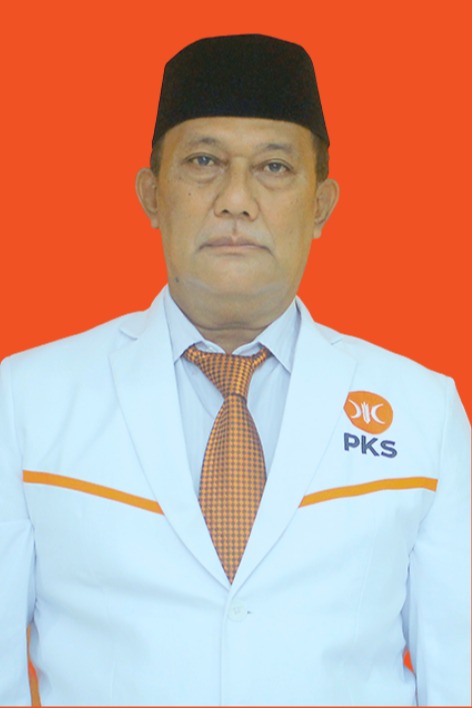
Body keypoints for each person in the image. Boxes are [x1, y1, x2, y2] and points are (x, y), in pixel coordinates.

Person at [0, 34, 469, 707]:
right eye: (203, 162)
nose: (237, 200)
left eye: (274, 167)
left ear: (321, 205)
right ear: (152, 195)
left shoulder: (422, 410)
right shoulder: (28, 399)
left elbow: (458, 670)